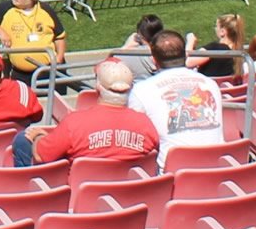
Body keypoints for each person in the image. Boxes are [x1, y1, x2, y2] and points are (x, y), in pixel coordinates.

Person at [26, 58, 159, 168]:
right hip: (133, 197)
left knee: (22, 140)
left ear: (97, 87)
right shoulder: (145, 124)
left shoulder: (75, 123)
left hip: (82, 198)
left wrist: (37, 136)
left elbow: (41, 155)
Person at [128, 30, 225, 168]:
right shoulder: (210, 84)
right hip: (217, 171)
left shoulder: (141, 90)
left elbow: (135, 139)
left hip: (172, 178)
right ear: (185, 54)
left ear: (154, 59)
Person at [197, 14, 245, 80]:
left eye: (216, 26)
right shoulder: (239, 51)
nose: (215, 28)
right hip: (228, 88)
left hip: (209, 88)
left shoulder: (215, 48)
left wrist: (190, 42)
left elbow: (188, 62)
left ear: (222, 32)